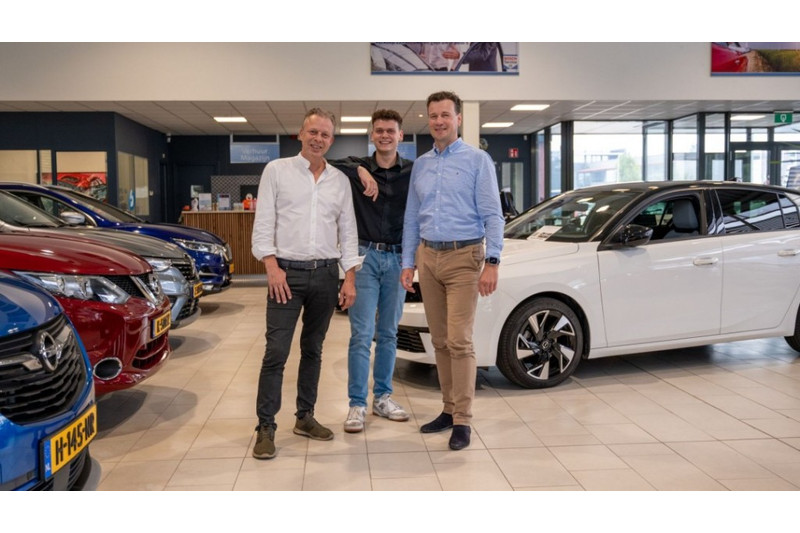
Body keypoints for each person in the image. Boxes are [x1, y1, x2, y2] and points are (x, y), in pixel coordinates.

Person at [250, 108, 361, 460]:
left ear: (332, 140)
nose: (318, 139)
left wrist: (349, 277)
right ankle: (265, 426)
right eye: (313, 132)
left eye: (325, 135)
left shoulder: (339, 181)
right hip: (286, 275)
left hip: (326, 275)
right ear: (300, 134)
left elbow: (349, 231)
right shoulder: (277, 171)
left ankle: (305, 417)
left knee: (313, 349)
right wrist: (271, 265)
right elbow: (264, 222)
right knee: (276, 352)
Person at [401, 91, 504, 451]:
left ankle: (463, 419)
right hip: (428, 257)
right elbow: (412, 218)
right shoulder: (422, 165)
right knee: (440, 340)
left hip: (465, 257)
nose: (439, 121)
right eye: (433, 115)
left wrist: (492, 262)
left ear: (458, 119)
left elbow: (493, 214)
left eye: (446, 115)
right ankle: (448, 409)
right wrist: (408, 262)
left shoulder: (478, 160)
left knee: (460, 340)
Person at [329, 109, 414, 433]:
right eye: (379, 131)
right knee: (361, 335)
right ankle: (357, 404)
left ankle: (383, 397)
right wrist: (361, 170)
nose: (385, 136)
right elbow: (330, 161)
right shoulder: (356, 169)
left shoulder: (412, 171)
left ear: (400, 135)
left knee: (389, 333)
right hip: (364, 258)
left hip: (397, 259)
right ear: (372, 135)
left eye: (390, 131)